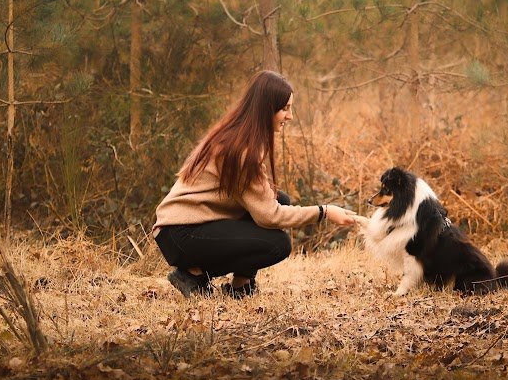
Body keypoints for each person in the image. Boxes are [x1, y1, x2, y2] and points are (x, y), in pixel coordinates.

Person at [152, 70, 357, 299]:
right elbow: (269, 217)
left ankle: (241, 285)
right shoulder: (242, 150)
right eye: (285, 109)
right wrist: (325, 212)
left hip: (185, 228)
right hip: (181, 233)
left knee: (281, 199)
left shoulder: (240, 135)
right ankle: (193, 274)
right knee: (278, 244)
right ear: (266, 109)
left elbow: (268, 203)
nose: (290, 116)